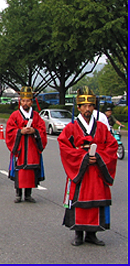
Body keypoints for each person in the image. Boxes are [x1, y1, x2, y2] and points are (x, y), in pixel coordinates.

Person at [58, 86, 118, 247]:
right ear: (78, 107)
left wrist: (98, 156)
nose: (87, 109)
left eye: (90, 105)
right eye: (83, 106)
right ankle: (78, 234)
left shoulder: (102, 128)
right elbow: (65, 147)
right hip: (80, 171)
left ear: (94, 107)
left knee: (96, 201)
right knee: (78, 200)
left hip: (97, 171)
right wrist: (84, 157)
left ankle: (92, 234)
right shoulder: (71, 128)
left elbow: (112, 147)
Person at [6, 87, 47, 203]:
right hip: (21, 148)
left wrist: (35, 131)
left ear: (31, 102)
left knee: (30, 172)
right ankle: (18, 194)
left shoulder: (36, 116)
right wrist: (20, 131)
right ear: (20, 101)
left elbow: (42, 129)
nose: (25, 103)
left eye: (28, 101)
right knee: (20, 170)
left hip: (32, 147)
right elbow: (9, 130)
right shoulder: (15, 115)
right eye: (23, 100)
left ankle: (28, 194)